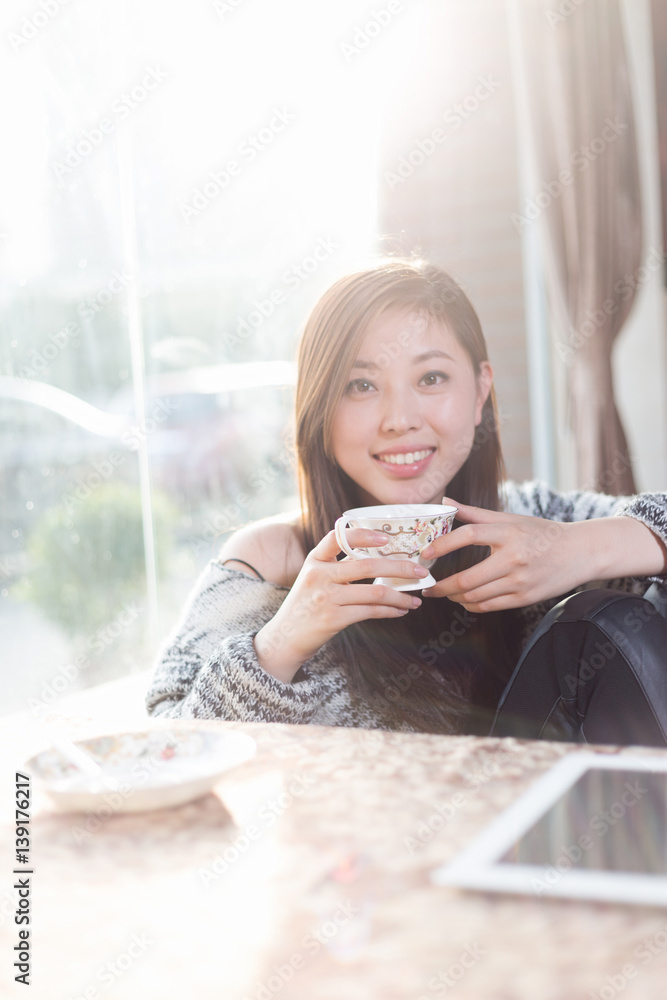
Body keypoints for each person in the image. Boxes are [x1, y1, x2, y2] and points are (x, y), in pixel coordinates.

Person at [146, 259, 667, 744]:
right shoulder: (269, 561)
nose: (400, 418)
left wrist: (582, 549)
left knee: (607, 621)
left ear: (481, 391)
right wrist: (280, 643)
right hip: (356, 840)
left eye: (431, 378)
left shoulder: (526, 527)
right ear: (318, 408)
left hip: (539, 834)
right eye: (361, 384)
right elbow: (165, 751)